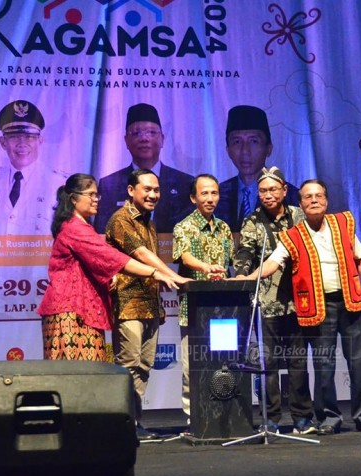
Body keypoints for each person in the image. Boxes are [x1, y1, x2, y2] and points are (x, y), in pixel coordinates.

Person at [37, 174, 179, 440]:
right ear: (73, 198)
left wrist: (110, 277)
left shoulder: (84, 227)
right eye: (91, 194)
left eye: (96, 194)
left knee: (91, 374)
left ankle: (89, 431)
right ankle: (75, 434)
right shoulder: (74, 228)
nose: (96, 200)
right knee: (76, 375)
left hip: (84, 310)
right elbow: (114, 257)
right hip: (70, 311)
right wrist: (155, 273)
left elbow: (96, 264)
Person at [242, 179, 361, 434]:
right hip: (319, 307)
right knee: (323, 365)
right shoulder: (293, 235)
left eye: (318, 196)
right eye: (308, 197)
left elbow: (360, 258)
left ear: (326, 200)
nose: (314, 200)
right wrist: (247, 277)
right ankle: (329, 417)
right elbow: (272, 263)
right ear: (301, 203)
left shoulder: (343, 224)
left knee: (358, 362)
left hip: (351, 302)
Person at [105, 169, 191, 440]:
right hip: (127, 302)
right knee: (128, 364)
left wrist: (164, 278)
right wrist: (172, 274)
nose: (153, 194)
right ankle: (122, 423)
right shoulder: (120, 220)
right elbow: (140, 255)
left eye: (157, 190)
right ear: (131, 191)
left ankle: (134, 422)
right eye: (147, 189)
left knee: (144, 365)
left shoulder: (150, 223)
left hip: (150, 304)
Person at [233, 167, 315, 435]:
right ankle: (272, 419)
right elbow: (244, 251)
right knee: (268, 364)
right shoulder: (252, 221)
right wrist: (243, 274)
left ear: (283, 191)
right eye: (262, 191)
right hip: (266, 301)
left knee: (297, 362)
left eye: (272, 190)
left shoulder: (299, 215)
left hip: (299, 300)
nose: (267, 195)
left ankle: (303, 418)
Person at [172, 174, 235, 419]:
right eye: (204, 193)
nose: (210, 199)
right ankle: (193, 417)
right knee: (193, 365)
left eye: (214, 193)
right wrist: (206, 268)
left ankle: (224, 413)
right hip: (194, 308)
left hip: (223, 309)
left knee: (222, 362)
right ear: (193, 197)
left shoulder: (224, 228)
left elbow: (230, 264)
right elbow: (185, 258)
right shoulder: (183, 227)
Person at [94, 103, 194, 234]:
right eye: (136, 133)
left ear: (162, 139)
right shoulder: (109, 185)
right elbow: (102, 232)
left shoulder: (185, 183)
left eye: (151, 132)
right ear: (126, 141)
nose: (144, 138)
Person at [0, 99, 66, 235]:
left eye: (29, 137)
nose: (22, 143)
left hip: (40, 256)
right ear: (3, 142)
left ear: (40, 141)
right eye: (14, 136)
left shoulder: (59, 184)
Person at [214, 105, 299, 233]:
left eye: (254, 141)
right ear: (228, 151)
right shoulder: (216, 196)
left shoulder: (291, 196)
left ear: (268, 148)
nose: (245, 151)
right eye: (237, 142)